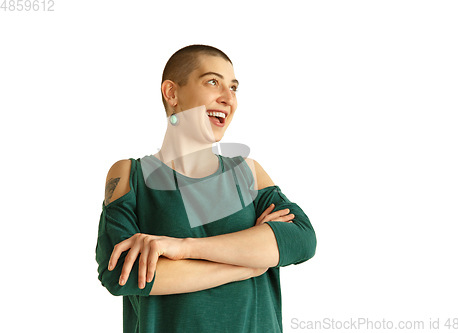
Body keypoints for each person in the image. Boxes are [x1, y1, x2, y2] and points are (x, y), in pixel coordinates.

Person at [95, 44, 317, 333]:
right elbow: (121, 274)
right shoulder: (130, 175)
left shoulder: (247, 173)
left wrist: (182, 248)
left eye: (234, 88)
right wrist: (249, 265)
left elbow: (301, 239)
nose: (228, 98)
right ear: (172, 92)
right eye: (213, 82)